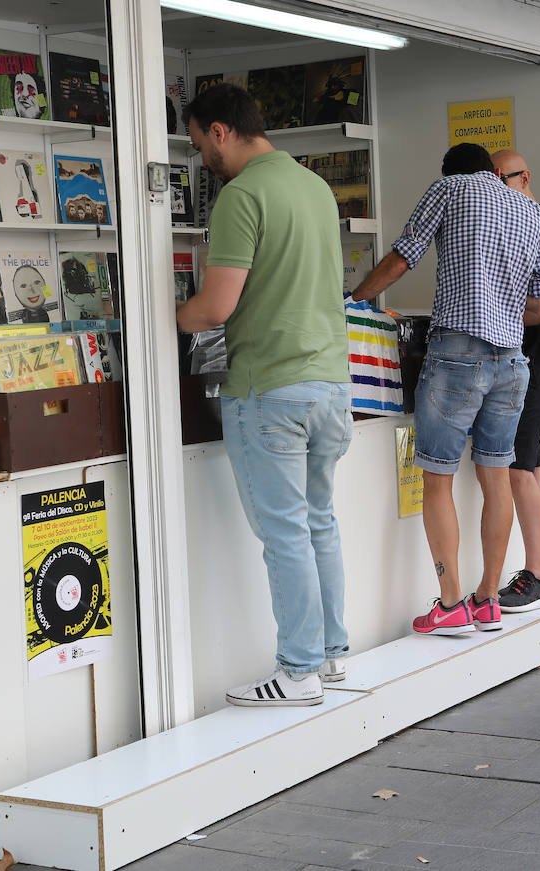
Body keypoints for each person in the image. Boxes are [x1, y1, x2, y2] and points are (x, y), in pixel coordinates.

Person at [176, 83, 353, 707]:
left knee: (285, 535)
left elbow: (217, 306)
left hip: (270, 387)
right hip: (331, 382)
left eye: (200, 144)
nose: (202, 160)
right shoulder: (313, 187)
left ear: (220, 130)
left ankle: (298, 671)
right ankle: (330, 658)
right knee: (319, 523)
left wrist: (171, 315)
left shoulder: (242, 196)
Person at [352, 143, 540, 635]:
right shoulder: (531, 211)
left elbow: (404, 259)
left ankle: (450, 603)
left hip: (456, 356)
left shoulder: (447, 188)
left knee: (437, 480)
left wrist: (353, 299)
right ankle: (488, 598)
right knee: (497, 476)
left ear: (449, 171)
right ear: (492, 170)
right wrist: (501, 311)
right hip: (512, 362)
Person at [489, 148, 540, 613]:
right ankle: (538, 569)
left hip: (538, 354)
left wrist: (491, 310)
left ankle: (538, 574)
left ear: (524, 177)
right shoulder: (514, 220)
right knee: (529, 466)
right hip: (518, 352)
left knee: (520, 465)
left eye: (499, 180)